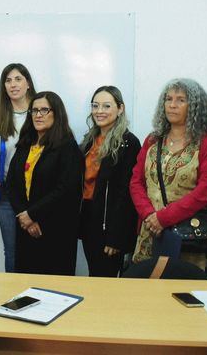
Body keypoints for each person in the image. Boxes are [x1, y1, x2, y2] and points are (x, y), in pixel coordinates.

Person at [130, 78, 207, 270]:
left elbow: (205, 190)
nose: (172, 105)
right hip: (150, 230)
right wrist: (150, 215)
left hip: (187, 233)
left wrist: (164, 218)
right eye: (168, 99)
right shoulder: (153, 139)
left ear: (195, 106)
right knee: (145, 291)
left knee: (182, 290)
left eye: (181, 100)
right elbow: (136, 182)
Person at [6, 91, 82, 275]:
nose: (38, 115)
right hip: (26, 228)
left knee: (53, 289)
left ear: (57, 113)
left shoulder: (67, 146)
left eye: (44, 110)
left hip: (55, 229)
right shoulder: (26, 143)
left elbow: (66, 189)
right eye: (34, 111)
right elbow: (12, 184)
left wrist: (32, 214)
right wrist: (24, 217)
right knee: (26, 286)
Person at [79, 86, 141, 277]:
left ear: (120, 108)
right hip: (88, 217)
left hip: (110, 225)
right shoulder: (89, 140)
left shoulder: (129, 143)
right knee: (94, 274)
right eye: (95, 106)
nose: (99, 111)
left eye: (106, 106)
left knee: (105, 279)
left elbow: (126, 193)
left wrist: (116, 237)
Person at [0, 63, 38, 273]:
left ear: (28, 83)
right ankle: (14, 300)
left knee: (36, 248)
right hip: (6, 193)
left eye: (18, 79)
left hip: (36, 194)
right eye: (8, 81)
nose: (13, 84)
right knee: (12, 250)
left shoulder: (40, 113)